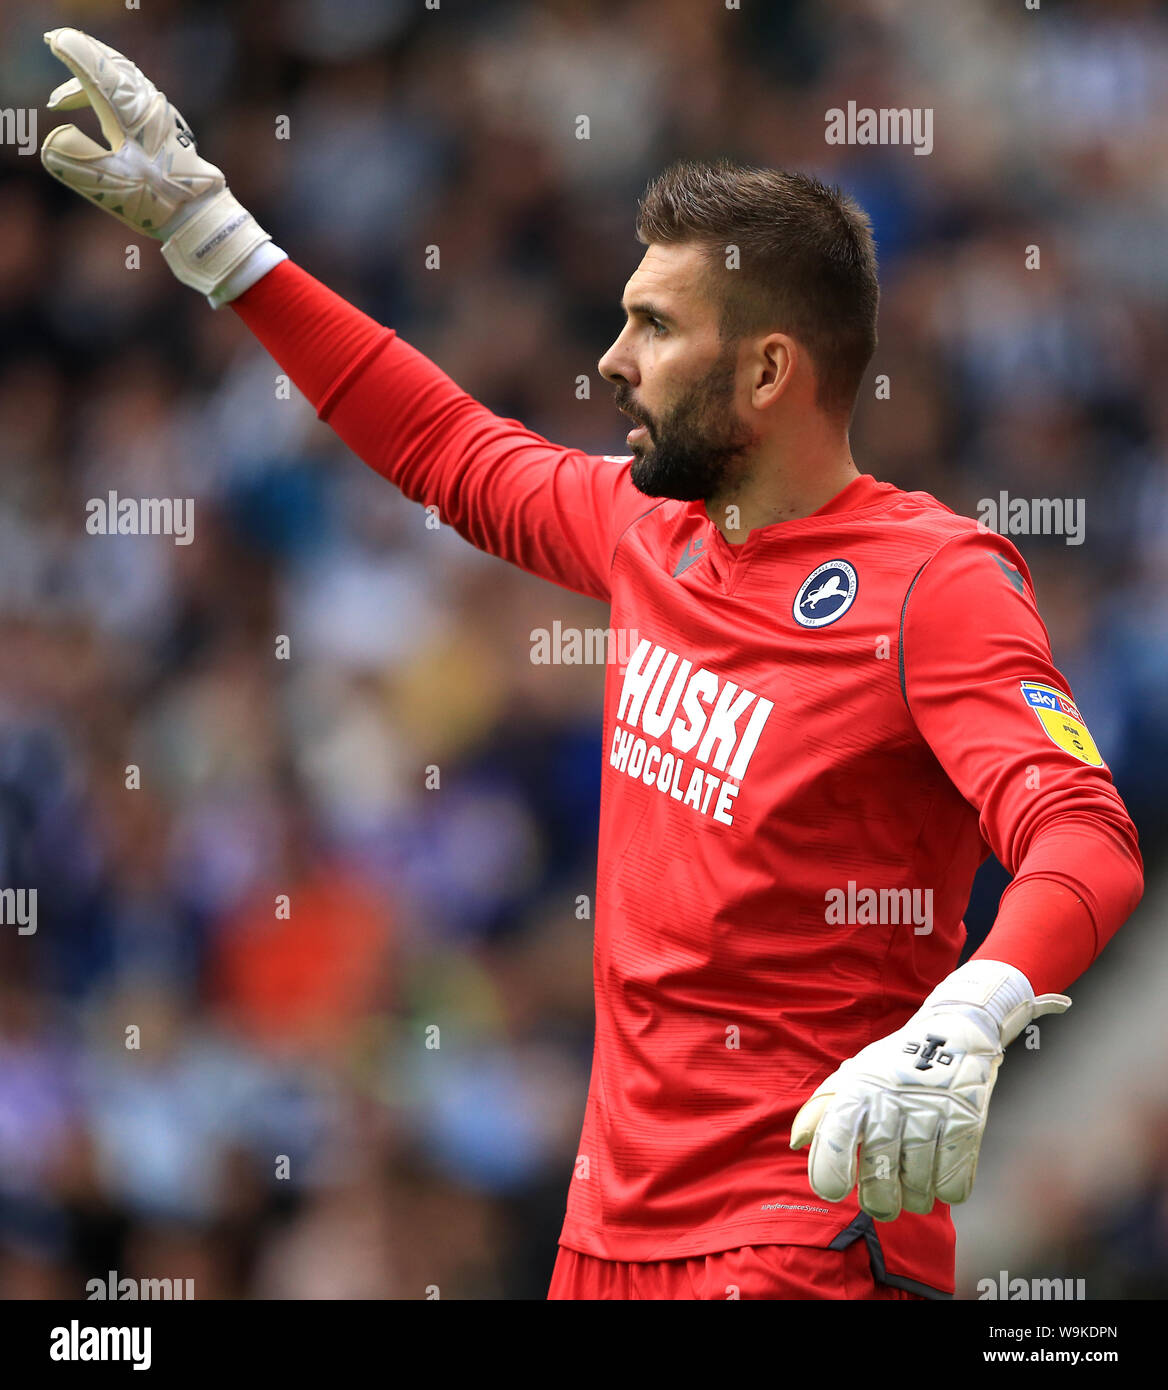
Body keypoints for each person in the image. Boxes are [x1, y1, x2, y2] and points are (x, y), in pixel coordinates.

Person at [40, 27, 1143, 1301]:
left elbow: (1084, 832)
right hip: (607, 1236)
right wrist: (219, 241)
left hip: (808, 1226)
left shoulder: (934, 583)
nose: (611, 359)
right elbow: (449, 450)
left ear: (769, 369)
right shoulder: (650, 527)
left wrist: (973, 1009)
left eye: (652, 326)